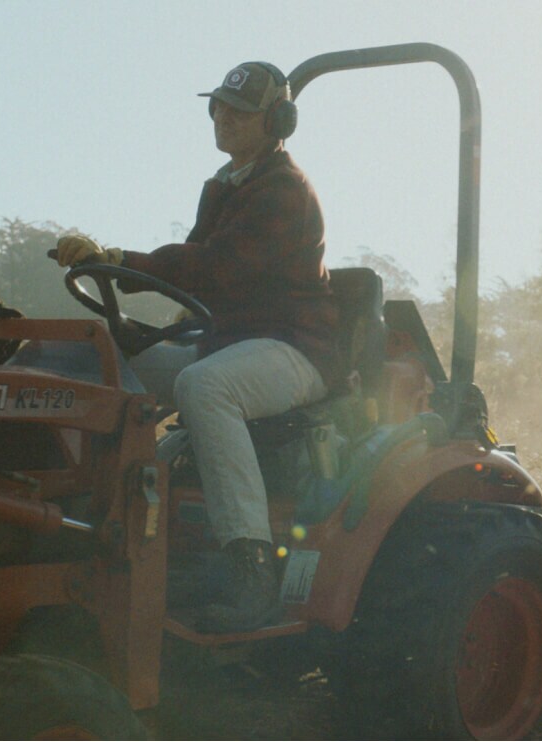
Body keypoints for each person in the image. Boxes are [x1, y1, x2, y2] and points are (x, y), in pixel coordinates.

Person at [54, 62, 339, 632]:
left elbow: (213, 267)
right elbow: (193, 278)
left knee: (203, 384)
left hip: (296, 350)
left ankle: (251, 568)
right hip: (230, 343)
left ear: (278, 120)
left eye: (241, 110)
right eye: (219, 106)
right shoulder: (225, 186)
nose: (224, 117)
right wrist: (141, 330)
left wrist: (115, 259)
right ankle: (82, 519)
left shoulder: (283, 190)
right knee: (108, 350)